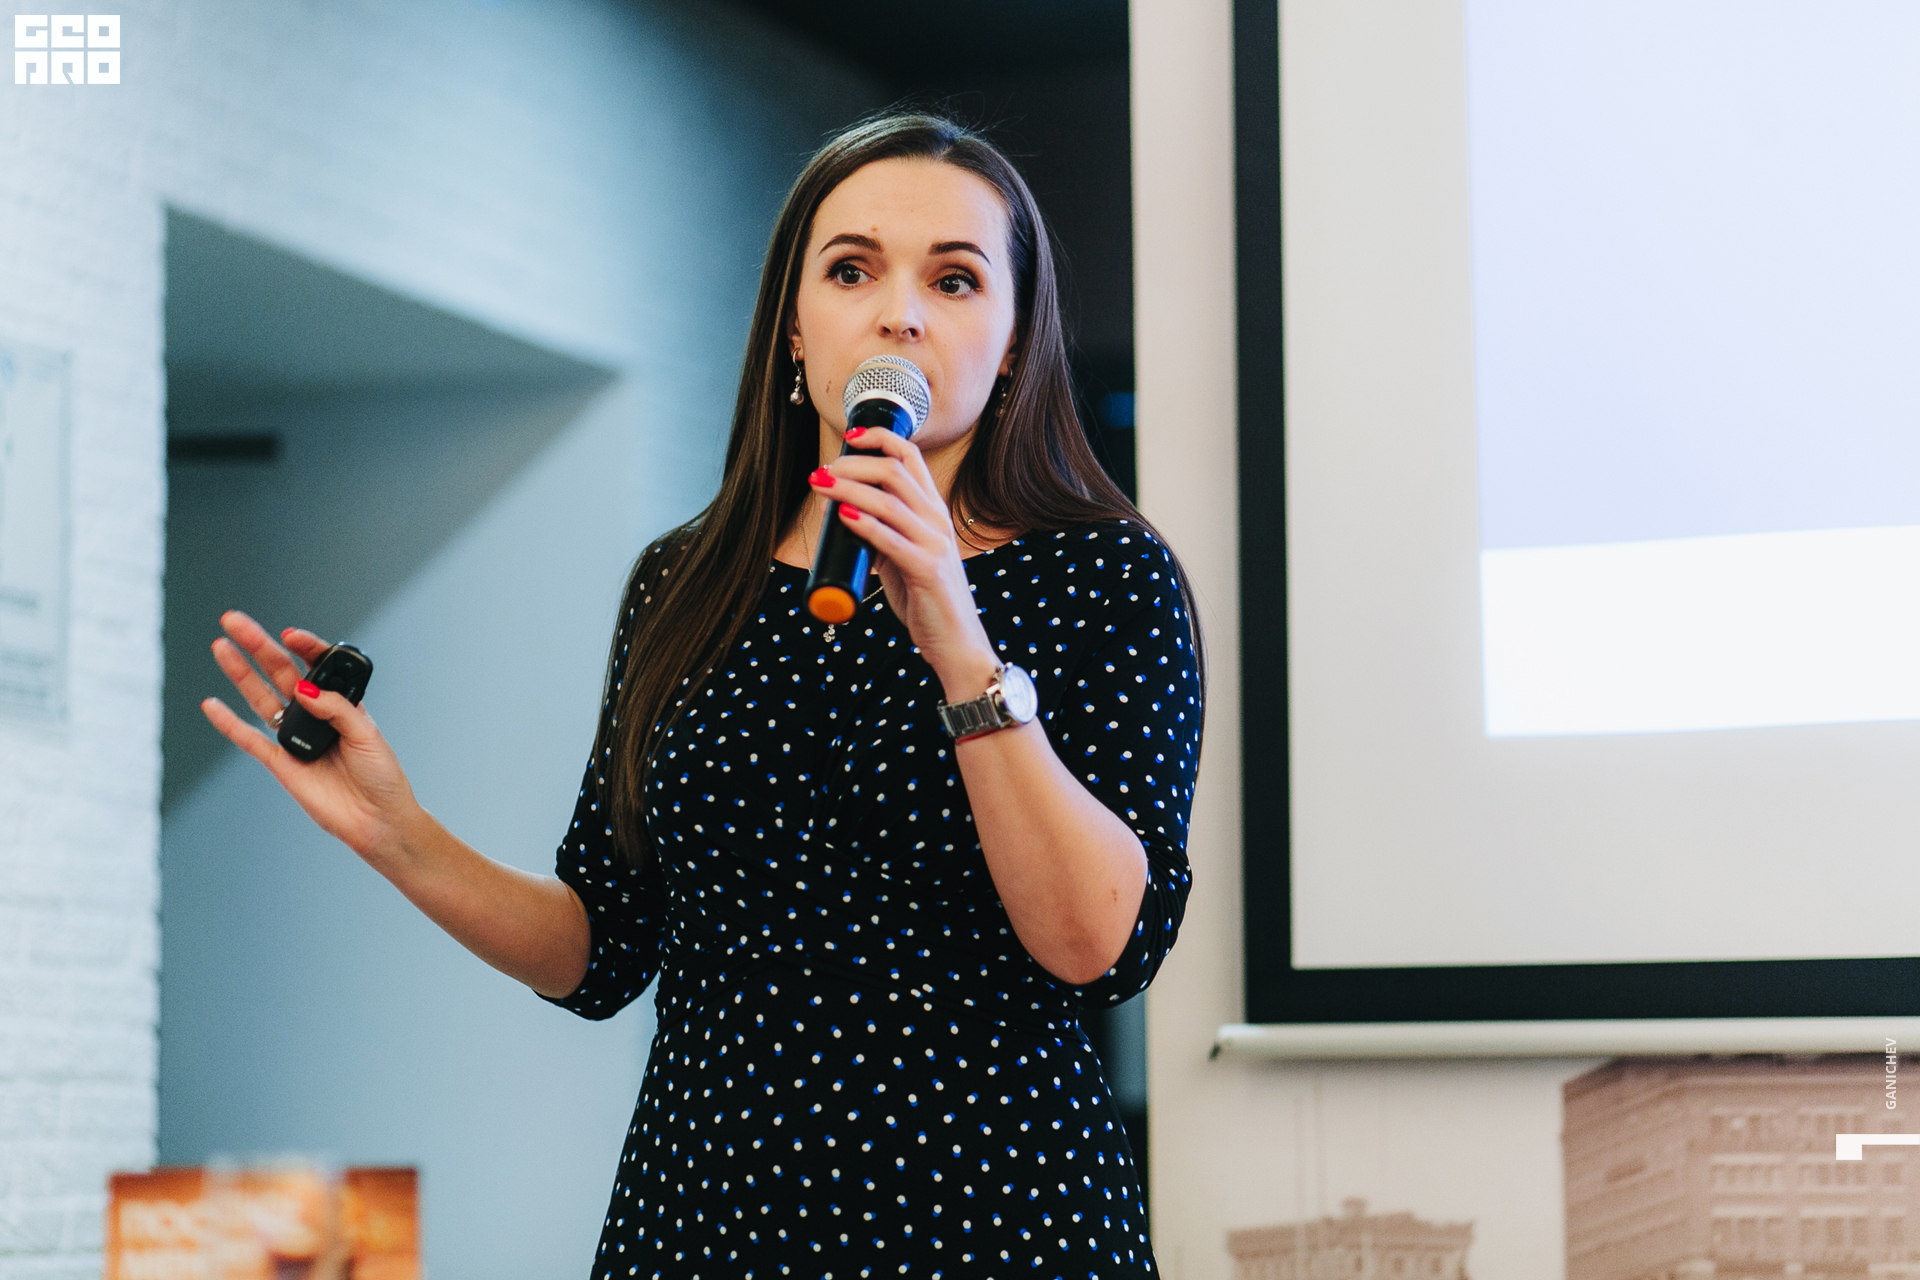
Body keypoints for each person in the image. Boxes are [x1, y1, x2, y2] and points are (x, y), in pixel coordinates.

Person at [201, 111, 1204, 1280]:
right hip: (705, 1212)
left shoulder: (1104, 573)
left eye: (955, 279)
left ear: (1016, 342)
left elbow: (1097, 945)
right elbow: (601, 944)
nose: (901, 313)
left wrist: (956, 638)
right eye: (852, 269)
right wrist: (398, 831)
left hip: (989, 1216)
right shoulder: (685, 580)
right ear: (794, 328)